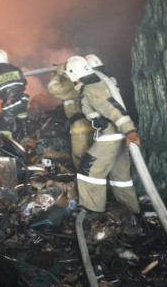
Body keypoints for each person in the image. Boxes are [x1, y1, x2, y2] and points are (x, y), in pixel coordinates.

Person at [64, 55, 141, 215]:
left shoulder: (91, 90)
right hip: (117, 136)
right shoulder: (96, 83)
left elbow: (113, 110)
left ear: (73, 74)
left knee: (89, 170)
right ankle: (130, 213)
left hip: (111, 136)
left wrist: (130, 131)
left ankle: (93, 211)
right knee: (121, 178)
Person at [47, 62, 93, 169]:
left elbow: (53, 89)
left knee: (80, 157)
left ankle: (83, 178)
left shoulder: (72, 83)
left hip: (81, 125)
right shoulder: (79, 82)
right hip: (88, 122)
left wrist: (57, 75)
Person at [0, 49, 30, 139]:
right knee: (23, 123)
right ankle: (26, 138)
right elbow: (24, 82)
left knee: (5, 130)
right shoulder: (15, 69)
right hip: (22, 100)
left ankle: (9, 146)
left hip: (10, 105)